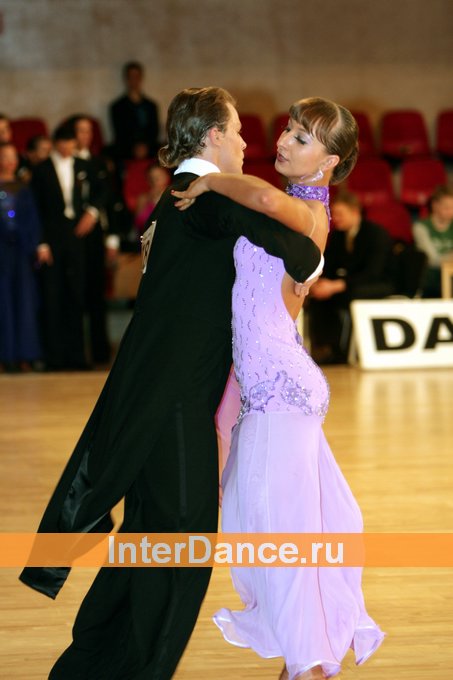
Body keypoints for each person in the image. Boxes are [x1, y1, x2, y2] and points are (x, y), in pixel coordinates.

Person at [19, 87, 321, 679]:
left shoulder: (172, 197)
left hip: (153, 397)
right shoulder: (207, 199)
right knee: (180, 548)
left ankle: (86, 669)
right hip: (174, 403)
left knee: (148, 541)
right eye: (237, 131)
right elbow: (304, 256)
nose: (245, 143)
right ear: (212, 135)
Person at [174, 96, 385, 679]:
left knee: (279, 536)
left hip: (280, 390)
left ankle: (307, 665)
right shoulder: (287, 210)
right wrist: (225, 426)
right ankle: (305, 663)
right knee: (276, 530)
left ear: (330, 161)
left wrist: (208, 181)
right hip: (269, 386)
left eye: (302, 137)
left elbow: (263, 197)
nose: (284, 141)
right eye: (289, 129)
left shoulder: (309, 213)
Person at [31, 121, 102, 370]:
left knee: (76, 293)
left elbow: (102, 191)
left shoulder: (84, 165)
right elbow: (36, 209)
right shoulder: (41, 170)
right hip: (52, 236)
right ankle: (54, 357)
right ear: (55, 143)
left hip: (76, 235)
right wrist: (41, 242)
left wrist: (92, 212)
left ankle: (77, 356)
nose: (67, 147)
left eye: (71, 143)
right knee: (52, 295)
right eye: (63, 143)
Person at [308, 190, 394, 363]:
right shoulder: (338, 235)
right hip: (351, 282)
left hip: (380, 283)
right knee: (319, 296)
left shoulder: (376, 234)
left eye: (340, 214)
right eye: (334, 214)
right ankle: (330, 349)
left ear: (355, 212)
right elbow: (329, 265)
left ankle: (347, 349)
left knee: (349, 294)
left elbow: (373, 273)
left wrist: (337, 286)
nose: (335, 218)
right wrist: (320, 283)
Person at [0, 142, 43, 372]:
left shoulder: (24, 188)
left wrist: (31, 244)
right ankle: (5, 355)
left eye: (12, 156)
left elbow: (32, 220)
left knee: (24, 302)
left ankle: (25, 355)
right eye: (4, 156)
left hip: (21, 251)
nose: (9, 161)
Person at [109, 61, 160, 160]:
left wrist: (145, 146)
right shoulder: (117, 107)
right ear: (126, 79)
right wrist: (134, 148)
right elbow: (119, 133)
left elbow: (154, 131)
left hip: (149, 148)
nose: (134, 80)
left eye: (136, 76)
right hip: (126, 149)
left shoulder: (151, 106)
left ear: (141, 78)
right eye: (131, 77)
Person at [412, 185, 453, 297]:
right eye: (447, 207)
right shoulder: (421, 227)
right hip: (431, 280)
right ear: (435, 206)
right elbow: (431, 259)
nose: (451, 211)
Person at [134, 161, 171, 236]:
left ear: (167, 176)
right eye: (152, 177)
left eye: (159, 176)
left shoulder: (174, 196)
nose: (156, 180)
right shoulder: (143, 198)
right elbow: (138, 223)